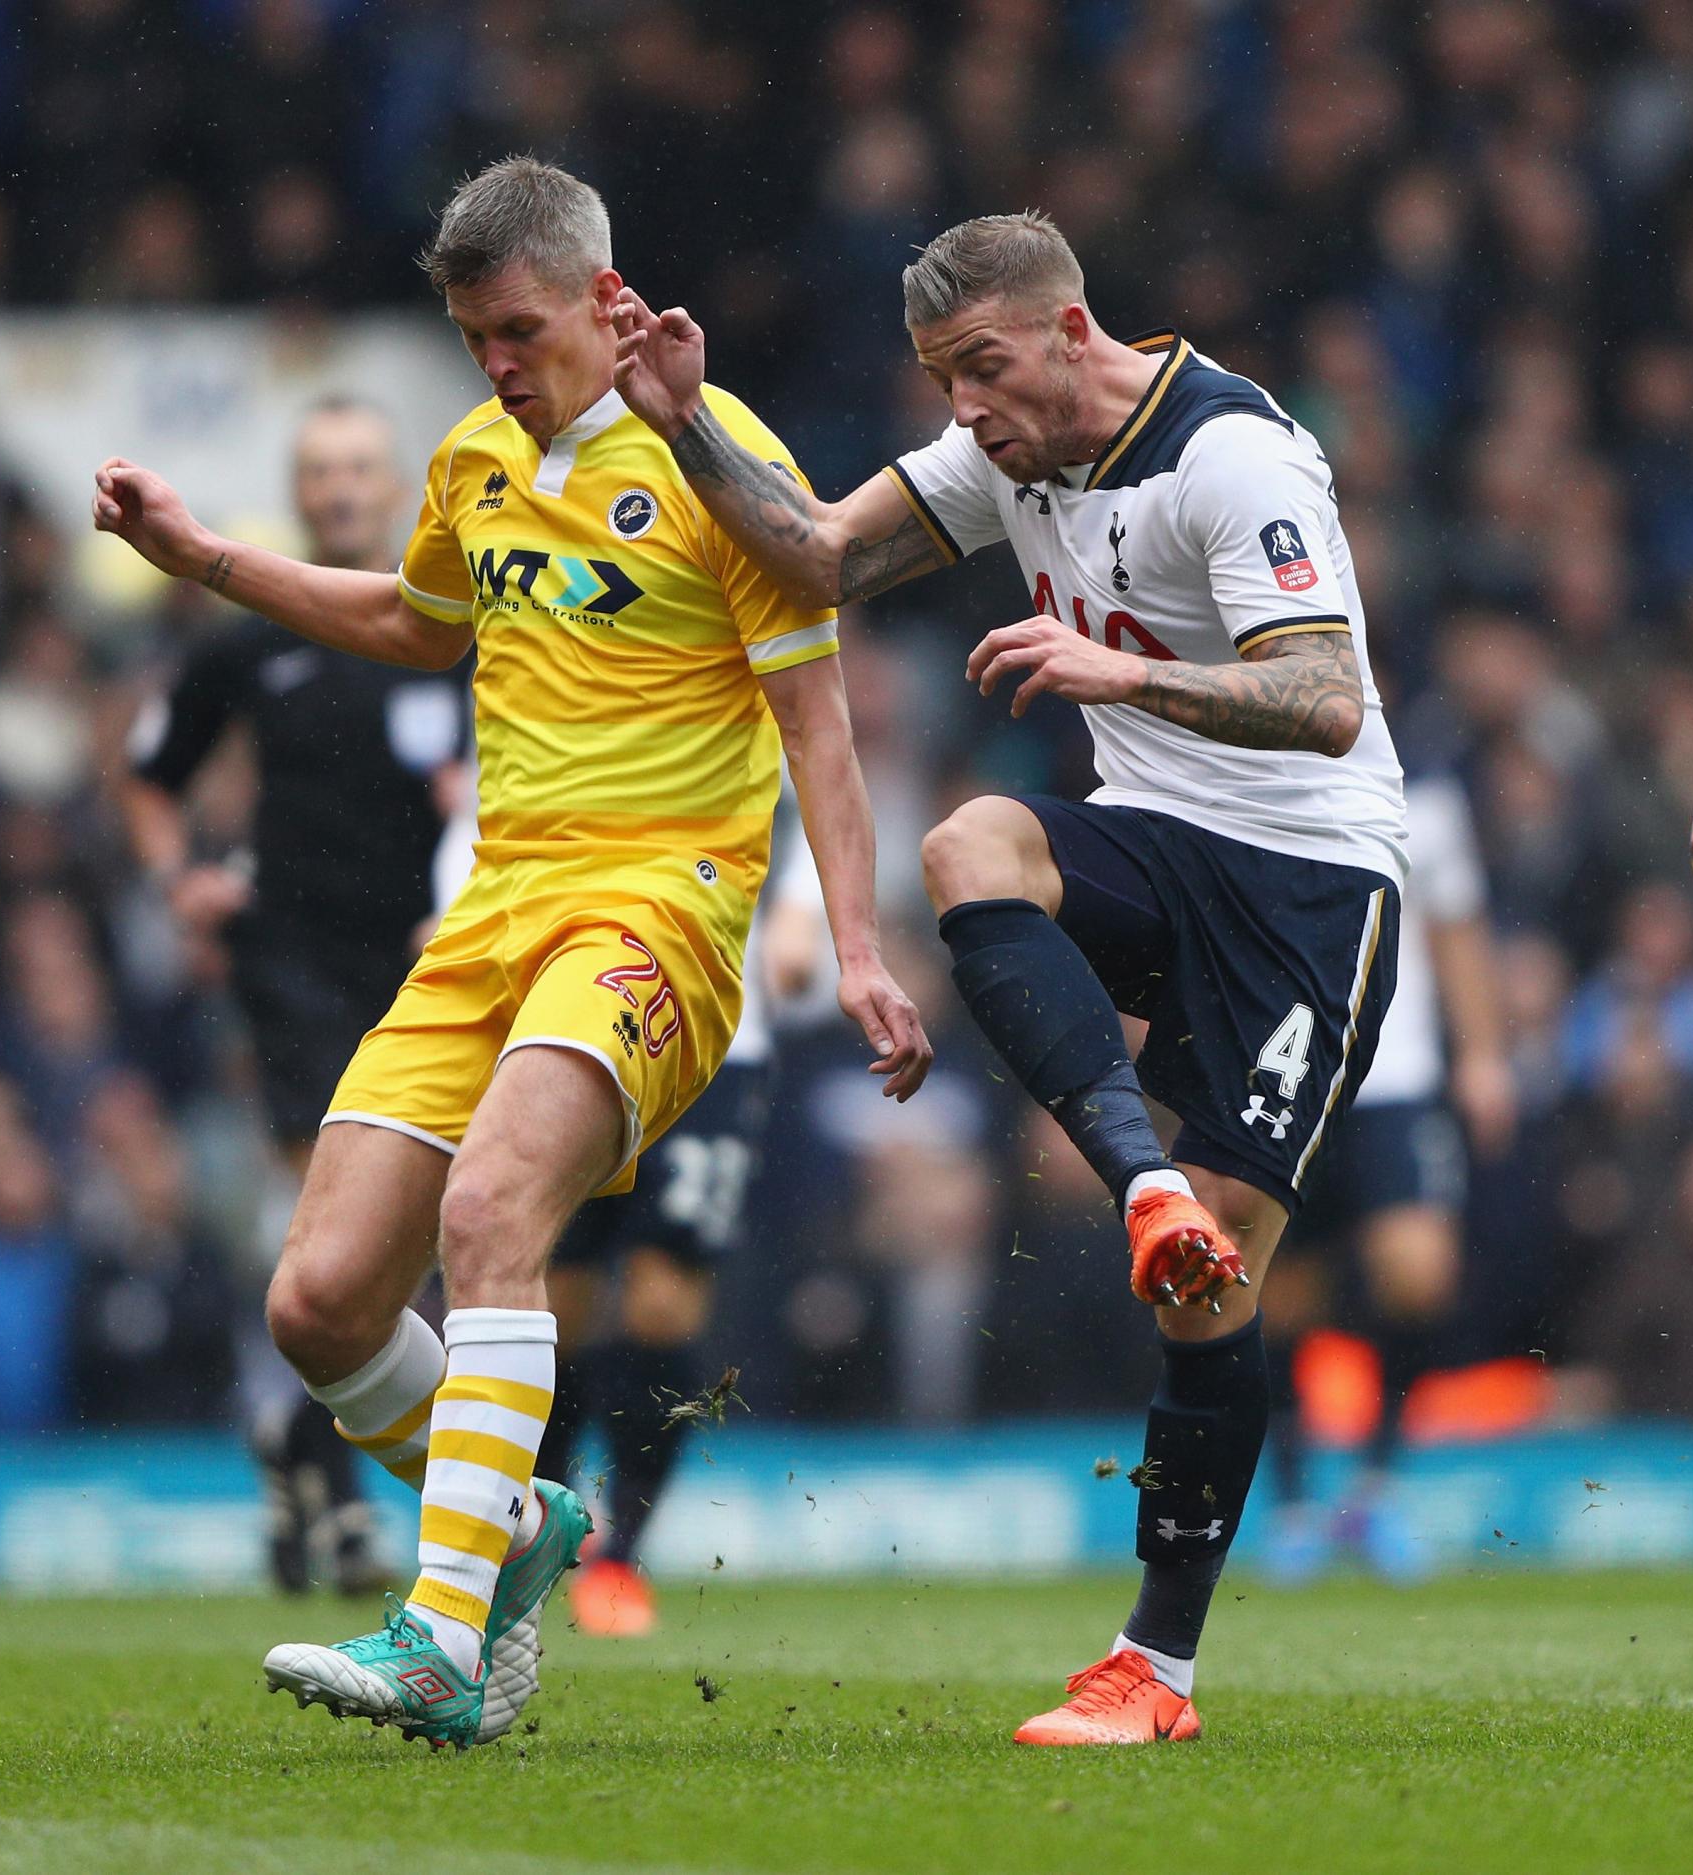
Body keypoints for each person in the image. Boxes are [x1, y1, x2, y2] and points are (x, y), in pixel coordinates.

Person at [90, 157, 929, 1748]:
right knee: (322, 1301)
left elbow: (818, 721)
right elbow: (417, 622)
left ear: (611, 308)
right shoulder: (475, 457)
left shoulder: (718, 457)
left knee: (489, 1211)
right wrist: (206, 559)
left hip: (655, 911)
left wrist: (866, 950)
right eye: (474, 334)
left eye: (520, 330)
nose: (495, 363)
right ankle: (524, 1523)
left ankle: (446, 1633)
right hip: (490, 912)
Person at [612, 209, 1407, 1745]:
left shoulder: (1233, 456)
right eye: (939, 379)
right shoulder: (1004, 456)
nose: (963, 409)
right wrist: (686, 423)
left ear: (1070, 328)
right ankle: (1136, 1185)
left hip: (1311, 883)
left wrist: (1125, 672)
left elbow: (1324, 696)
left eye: (980, 369)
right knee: (973, 842)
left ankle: (1155, 1667)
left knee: (1221, 1286)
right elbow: (823, 554)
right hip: (1155, 838)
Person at [122, 396, 456, 1598]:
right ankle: (341, 1493)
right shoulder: (249, 639)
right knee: (339, 1222)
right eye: (320, 470)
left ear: (393, 484)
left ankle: (299, 1453)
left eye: (360, 466)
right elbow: (150, 775)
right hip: (292, 965)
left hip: (430, 968)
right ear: (299, 489)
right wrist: (181, 883)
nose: (341, 488)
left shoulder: (449, 624)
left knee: (403, 1250)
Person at [533, 812, 825, 1636]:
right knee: (559, 1306)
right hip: (587, 1033)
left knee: (663, 1303)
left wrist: (798, 926)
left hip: (719, 1051)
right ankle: (540, 1531)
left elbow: (796, 835)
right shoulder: (587, 727)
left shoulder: (756, 756)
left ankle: (622, 1552)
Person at [1261, 769, 1514, 1582]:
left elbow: (1458, 931)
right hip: (1285, 1073)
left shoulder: (1426, 801)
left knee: (1418, 1273)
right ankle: (1295, 1503)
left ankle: (1374, 1486)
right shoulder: (1246, 779)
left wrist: (1481, 1055)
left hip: (1394, 1079)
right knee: (1277, 1300)